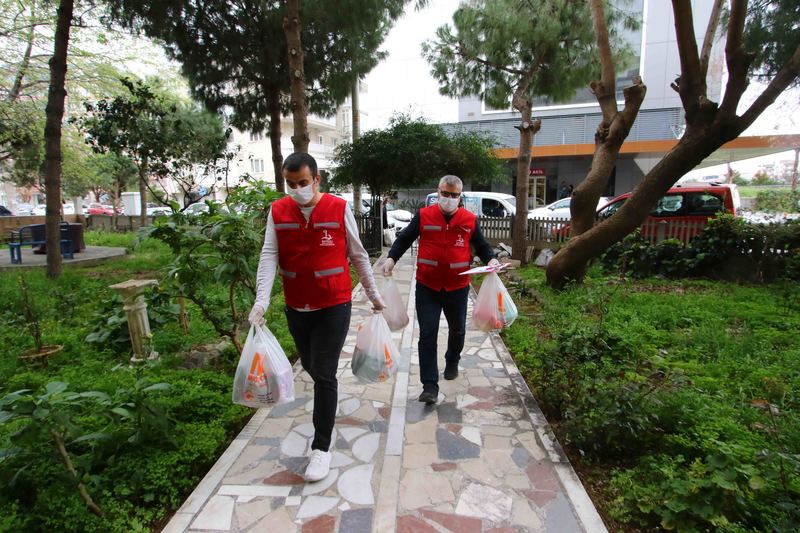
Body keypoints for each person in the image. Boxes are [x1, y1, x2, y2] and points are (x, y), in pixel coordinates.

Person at [248, 152, 385, 482]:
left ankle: (321, 448)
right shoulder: (278, 210)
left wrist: (374, 295)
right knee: (311, 367)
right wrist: (261, 301)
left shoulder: (338, 208)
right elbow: (269, 254)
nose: (297, 190)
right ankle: (329, 400)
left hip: (334, 304)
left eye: (303, 183)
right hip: (297, 306)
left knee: (323, 373)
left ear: (317, 179)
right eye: (290, 184)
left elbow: (358, 254)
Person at [382, 175, 499, 405]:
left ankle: (452, 359)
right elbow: (405, 238)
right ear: (438, 192)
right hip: (428, 286)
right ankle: (429, 386)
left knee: (457, 331)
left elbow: (483, 246)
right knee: (427, 334)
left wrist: (492, 260)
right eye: (445, 194)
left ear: (460, 197)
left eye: (454, 195)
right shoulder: (424, 216)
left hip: (457, 287)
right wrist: (391, 258)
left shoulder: (469, 220)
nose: (449, 199)